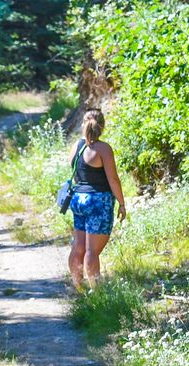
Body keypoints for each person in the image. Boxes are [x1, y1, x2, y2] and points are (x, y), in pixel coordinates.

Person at [68, 109, 127, 290]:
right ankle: (96, 290)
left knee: (78, 247)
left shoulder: (77, 146)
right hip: (98, 201)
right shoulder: (103, 149)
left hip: (78, 199)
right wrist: (122, 203)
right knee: (92, 251)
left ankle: (78, 287)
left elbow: (75, 172)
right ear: (102, 126)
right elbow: (113, 179)